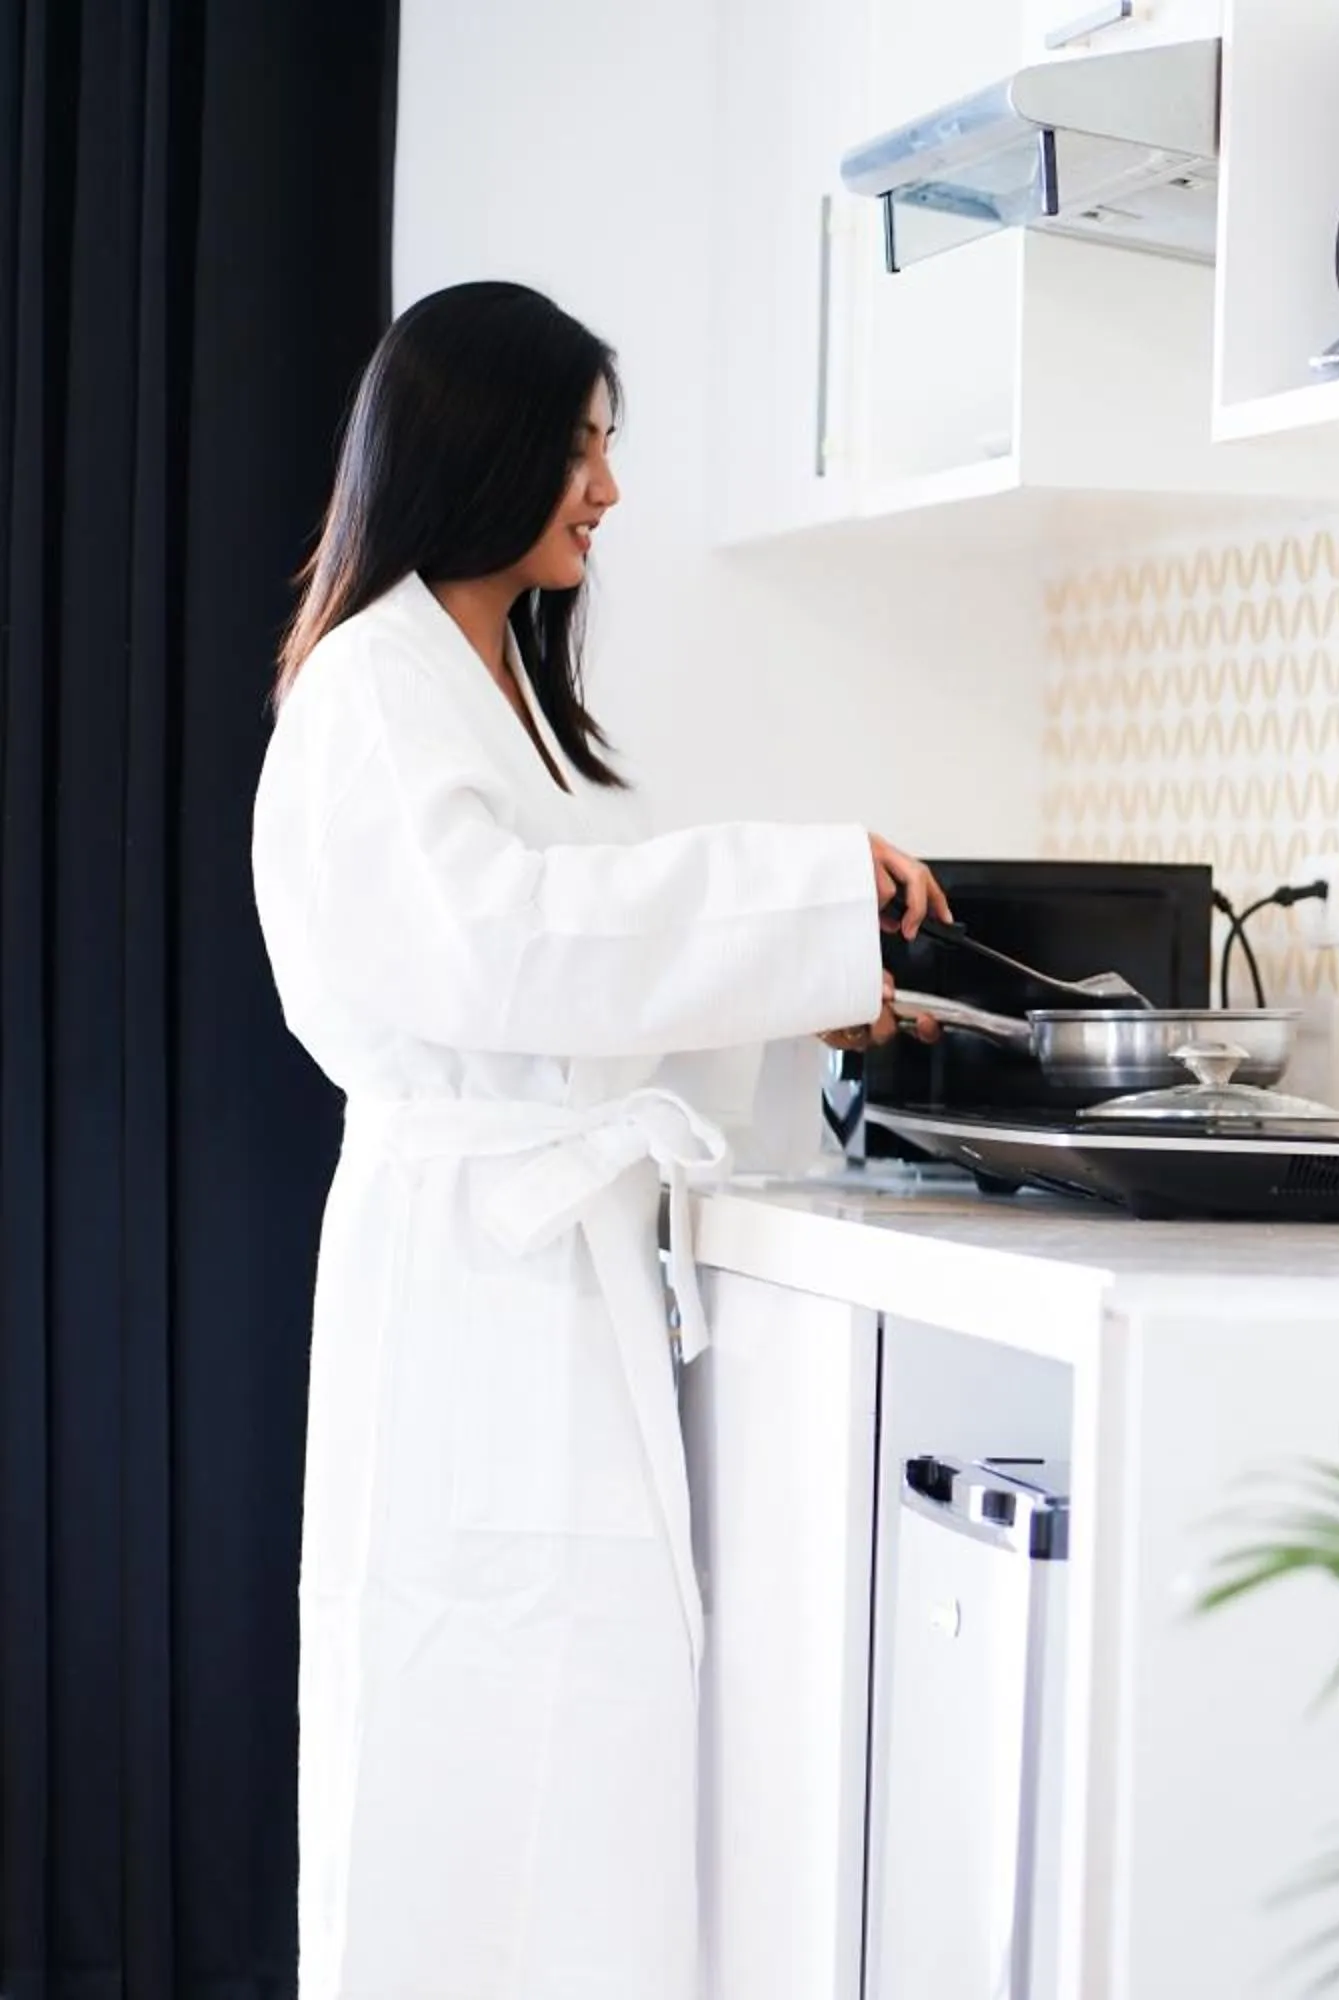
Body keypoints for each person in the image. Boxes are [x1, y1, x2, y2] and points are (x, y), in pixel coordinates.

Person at [250, 280, 942, 1998]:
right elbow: (505, 949)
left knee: (574, 1741)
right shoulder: (375, 687)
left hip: (526, 1269)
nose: (608, 492)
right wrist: (799, 896)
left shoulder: (468, 688)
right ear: (474, 451)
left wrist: (802, 990)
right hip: (471, 1287)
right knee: (481, 1745)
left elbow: (558, 983)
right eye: (579, 447)